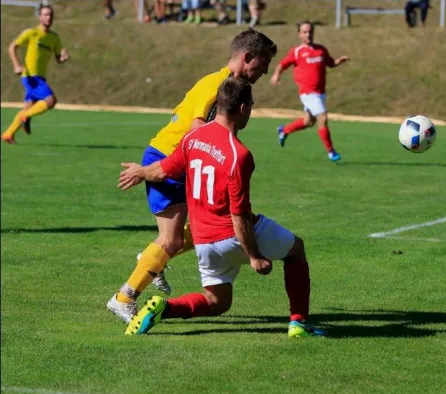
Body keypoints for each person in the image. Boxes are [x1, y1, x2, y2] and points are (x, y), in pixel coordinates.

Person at [118, 78, 327, 338]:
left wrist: (141, 172)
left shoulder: (193, 137)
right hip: (231, 235)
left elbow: (165, 169)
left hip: (203, 242)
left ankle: (164, 309)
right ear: (242, 108)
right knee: (296, 250)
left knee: (218, 303)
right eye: (251, 105)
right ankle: (299, 323)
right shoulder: (239, 155)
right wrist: (254, 256)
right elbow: (239, 215)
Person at [107, 29, 278, 324]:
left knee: (204, 228)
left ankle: (154, 258)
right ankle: (123, 298)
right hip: (169, 159)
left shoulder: (227, 86)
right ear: (247, 57)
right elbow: (198, 130)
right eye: (261, 64)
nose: (264, 71)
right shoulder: (215, 85)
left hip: (185, 161)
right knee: (172, 239)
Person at [270, 20, 349, 162]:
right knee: (322, 118)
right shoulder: (297, 52)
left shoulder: (321, 50)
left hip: (320, 93)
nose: (308, 34)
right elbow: (282, 65)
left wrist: (339, 61)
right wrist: (276, 75)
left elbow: (331, 64)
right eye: (305, 32)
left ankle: (284, 130)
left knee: (308, 121)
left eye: (310, 31)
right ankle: (331, 152)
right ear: (299, 34)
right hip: (307, 93)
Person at [2, 5, 69, 145]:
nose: (48, 17)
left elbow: (58, 58)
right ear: (39, 17)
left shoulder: (54, 38)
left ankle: (8, 134)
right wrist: (16, 65)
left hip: (41, 77)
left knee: (29, 106)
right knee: (50, 101)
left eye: (50, 15)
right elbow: (12, 47)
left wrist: (63, 58)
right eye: (45, 15)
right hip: (30, 76)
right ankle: (25, 117)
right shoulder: (31, 32)